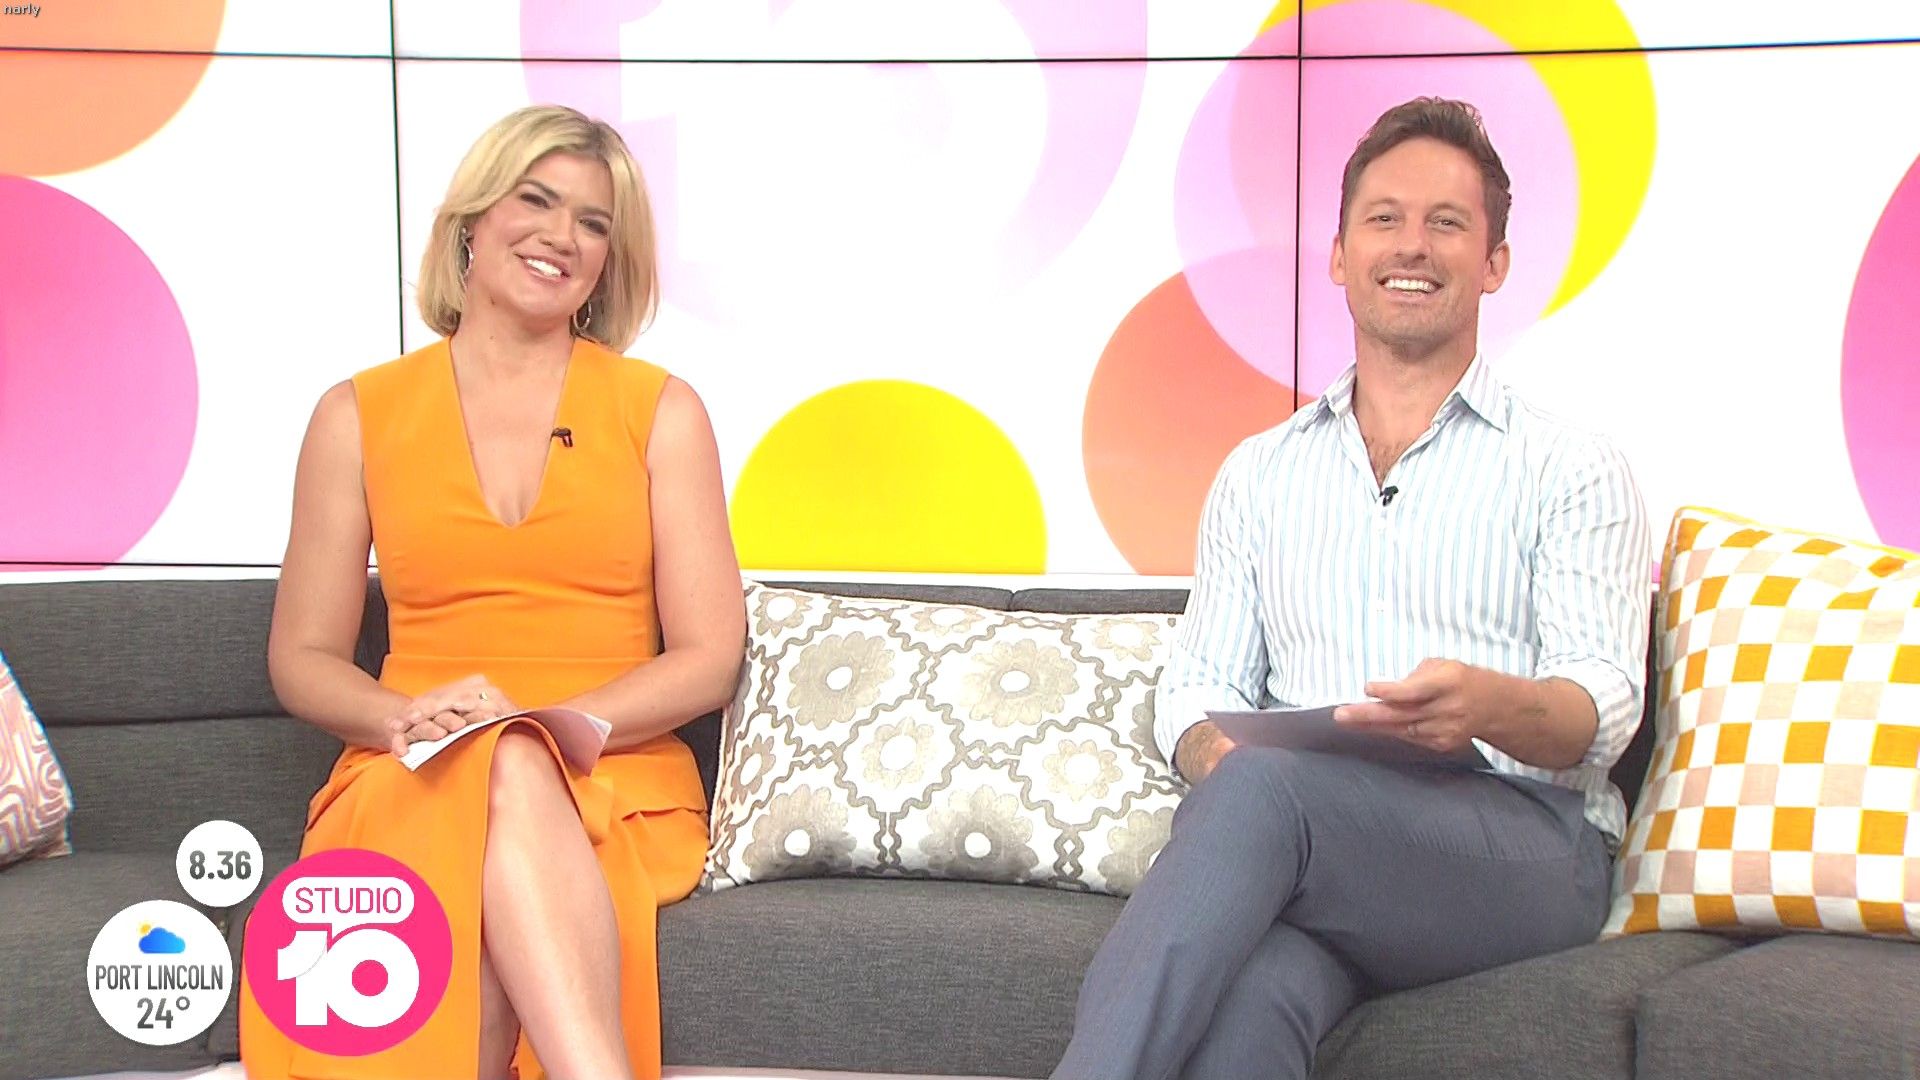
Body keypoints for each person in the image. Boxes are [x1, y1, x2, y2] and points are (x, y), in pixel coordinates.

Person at [1050, 97, 1651, 1080]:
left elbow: (1605, 710)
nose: (1411, 245)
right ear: (1338, 255)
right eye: (1384, 219)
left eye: (1446, 223)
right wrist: (1214, 750)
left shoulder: (1571, 468)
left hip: (1524, 845)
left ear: (1495, 263)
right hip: (1325, 844)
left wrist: (1486, 705)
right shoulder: (1259, 473)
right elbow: (1197, 686)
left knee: (1264, 793)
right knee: (1253, 994)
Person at [238, 105, 747, 1080]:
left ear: (609, 261)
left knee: (511, 766)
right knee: (491, 785)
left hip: (614, 773)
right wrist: (404, 719)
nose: (562, 236)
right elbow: (301, 657)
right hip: (413, 764)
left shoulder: (662, 412)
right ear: (474, 219)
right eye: (537, 201)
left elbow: (708, 658)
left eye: (593, 223)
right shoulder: (354, 416)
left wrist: (545, 728)